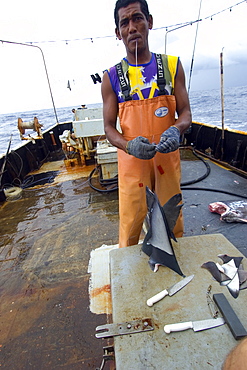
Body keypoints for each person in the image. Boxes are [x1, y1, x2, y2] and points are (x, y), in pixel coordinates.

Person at [101, 0, 192, 248]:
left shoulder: (173, 67)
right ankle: (128, 275)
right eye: (124, 23)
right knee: (131, 223)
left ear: (149, 22)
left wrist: (176, 128)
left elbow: (185, 113)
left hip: (167, 160)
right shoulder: (111, 77)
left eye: (137, 18)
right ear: (118, 33)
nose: (132, 27)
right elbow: (109, 127)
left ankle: (173, 265)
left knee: (172, 219)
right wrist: (129, 146)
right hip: (133, 164)